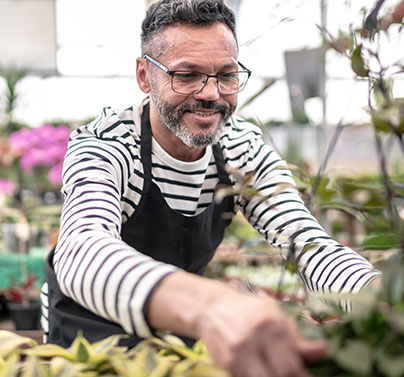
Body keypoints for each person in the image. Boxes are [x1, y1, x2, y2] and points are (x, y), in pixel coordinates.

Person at [42, 0, 380, 376]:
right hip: (87, 342)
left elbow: (306, 242)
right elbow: (81, 248)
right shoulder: (106, 145)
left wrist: (380, 304)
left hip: (174, 340)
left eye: (226, 75)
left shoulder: (242, 150)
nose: (211, 94)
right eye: (187, 75)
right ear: (144, 75)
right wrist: (212, 306)